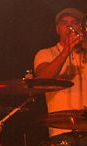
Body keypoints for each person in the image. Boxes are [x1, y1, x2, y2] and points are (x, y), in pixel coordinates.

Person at [34, 7, 87, 137]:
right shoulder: (45, 53)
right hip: (61, 130)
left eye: (74, 22)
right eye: (64, 23)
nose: (69, 26)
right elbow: (42, 79)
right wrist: (66, 51)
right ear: (57, 29)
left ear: (81, 28)